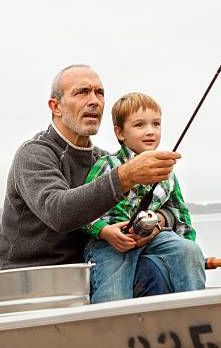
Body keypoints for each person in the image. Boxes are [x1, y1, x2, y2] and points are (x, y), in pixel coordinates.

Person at [0, 65, 178, 297]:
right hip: (29, 284)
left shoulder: (105, 160)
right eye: (82, 92)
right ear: (55, 106)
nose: (94, 101)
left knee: (158, 269)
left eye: (99, 93)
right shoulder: (34, 154)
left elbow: (172, 210)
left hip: (89, 275)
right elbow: (59, 212)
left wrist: (155, 222)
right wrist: (126, 176)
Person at [82, 92, 206, 303]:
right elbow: (83, 210)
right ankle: (109, 329)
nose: (150, 131)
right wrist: (103, 231)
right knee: (113, 294)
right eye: (139, 125)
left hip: (153, 239)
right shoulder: (107, 165)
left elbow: (179, 214)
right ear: (120, 133)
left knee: (189, 251)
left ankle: (194, 312)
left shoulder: (167, 173)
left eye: (156, 124)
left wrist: (188, 252)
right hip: (109, 243)